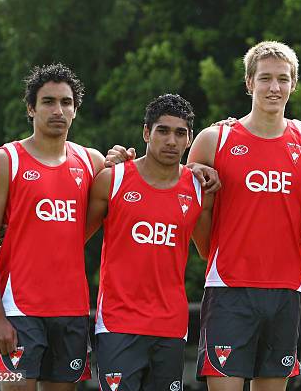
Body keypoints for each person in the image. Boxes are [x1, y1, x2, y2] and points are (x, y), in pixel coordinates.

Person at [107, 40, 301, 391]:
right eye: (265, 78)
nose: (274, 88)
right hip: (229, 288)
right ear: (249, 83)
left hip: (288, 288)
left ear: (294, 84)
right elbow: (180, 196)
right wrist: (213, 251)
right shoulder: (216, 139)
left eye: (283, 79)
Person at [0, 63, 104, 390]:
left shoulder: (92, 162)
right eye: (48, 101)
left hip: (71, 309)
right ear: (31, 109)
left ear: (75, 110)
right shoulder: (6, 160)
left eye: (66, 102)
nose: (58, 110)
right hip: (18, 309)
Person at [85, 93, 215, 391]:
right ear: (146, 132)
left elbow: (207, 249)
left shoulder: (199, 189)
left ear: (189, 139)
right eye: (163, 131)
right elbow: (72, 238)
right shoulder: (112, 179)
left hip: (170, 326)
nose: (171, 141)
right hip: (118, 324)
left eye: (180, 133)